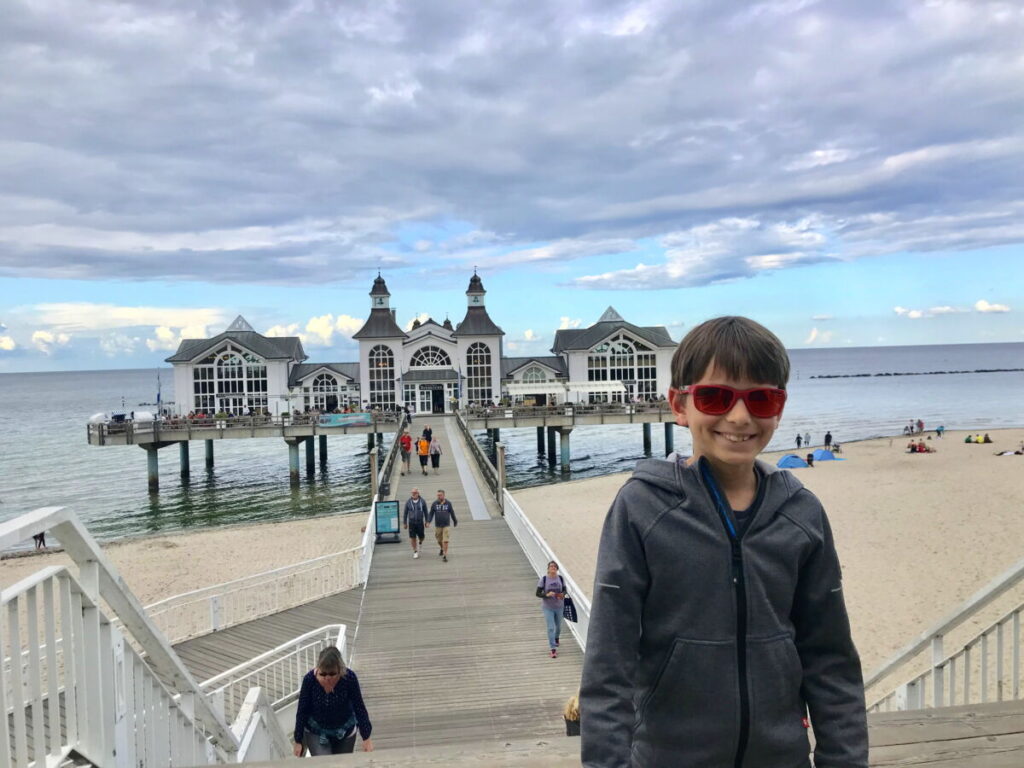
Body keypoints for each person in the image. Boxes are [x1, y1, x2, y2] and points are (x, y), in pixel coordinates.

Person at [580, 316, 867, 768]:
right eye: (715, 396)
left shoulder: (801, 513)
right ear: (680, 405)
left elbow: (830, 660)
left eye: (761, 397)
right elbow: (608, 663)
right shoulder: (642, 509)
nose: (739, 417)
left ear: (780, 406)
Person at [293, 646, 373, 756]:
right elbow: (302, 711)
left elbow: (359, 707)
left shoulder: (349, 678)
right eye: (323, 674)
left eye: (332, 674)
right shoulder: (309, 680)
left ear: (340, 670)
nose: (327, 678)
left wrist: (366, 737)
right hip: (316, 732)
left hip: (344, 731)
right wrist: (298, 740)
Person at [536, 560, 568, 658]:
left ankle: (556, 638)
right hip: (548, 607)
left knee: (558, 627)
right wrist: (546, 594)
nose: (553, 568)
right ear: (548, 569)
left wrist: (562, 594)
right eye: (551, 566)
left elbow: (564, 590)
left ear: (557, 569)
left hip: (559, 606)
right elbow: (537, 593)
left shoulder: (561, 578)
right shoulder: (544, 579)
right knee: (550, 628)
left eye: (555, 566)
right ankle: (553, 649)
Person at [428, 489, 457, 562]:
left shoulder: (448, 503)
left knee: (445, 540)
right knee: (439, 540)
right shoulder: (434, 504)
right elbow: (431, 513)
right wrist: (428, 521)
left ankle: (445, 555)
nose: (438, 496)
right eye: (437, 495)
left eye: (440, 495)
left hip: (446, 525)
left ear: (444, 495)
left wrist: (455, 521)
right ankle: (442, 548)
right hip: (438, 525)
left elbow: (452, 512)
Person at [403, 488, 429, 558]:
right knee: (412, 537)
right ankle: (415, 551)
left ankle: (420, 542)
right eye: (412, 493)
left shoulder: (422, 501)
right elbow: (405, 513)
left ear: (418, 493)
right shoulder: (408, 502)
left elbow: (426, 512)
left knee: (422, 536)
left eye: (415, 493)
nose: (413, 494)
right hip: (411, 523)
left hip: (420, 522)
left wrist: (427, 521)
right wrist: (405, 523)